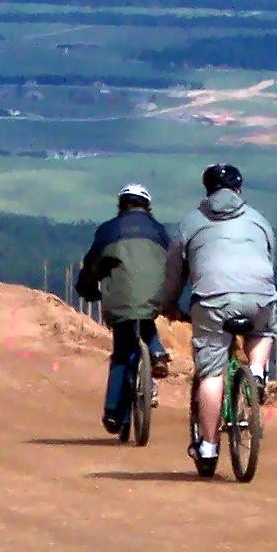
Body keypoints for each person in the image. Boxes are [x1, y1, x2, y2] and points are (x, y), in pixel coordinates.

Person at [159, 161, 276, 467]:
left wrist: (169, 304)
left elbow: (175, 273)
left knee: (212, 372)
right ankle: (259, 372)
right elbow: (269, 258)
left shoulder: (191, 222)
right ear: (239, 189)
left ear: (207, 190)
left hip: (212, 301)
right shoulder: (258, 220)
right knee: (264, 330)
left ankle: (208, 448)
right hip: (259, 295)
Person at [73, 182, 176, 434]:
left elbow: (91, 267)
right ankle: (157, 351)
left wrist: (87, 290)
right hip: (155, 296)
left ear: (121, 205)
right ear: (147, 207)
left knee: (122, 353)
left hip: (120, 300)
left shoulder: (108, 230)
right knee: (145, 316)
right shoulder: (161, 231)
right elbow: (174, 265)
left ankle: (113, 414)